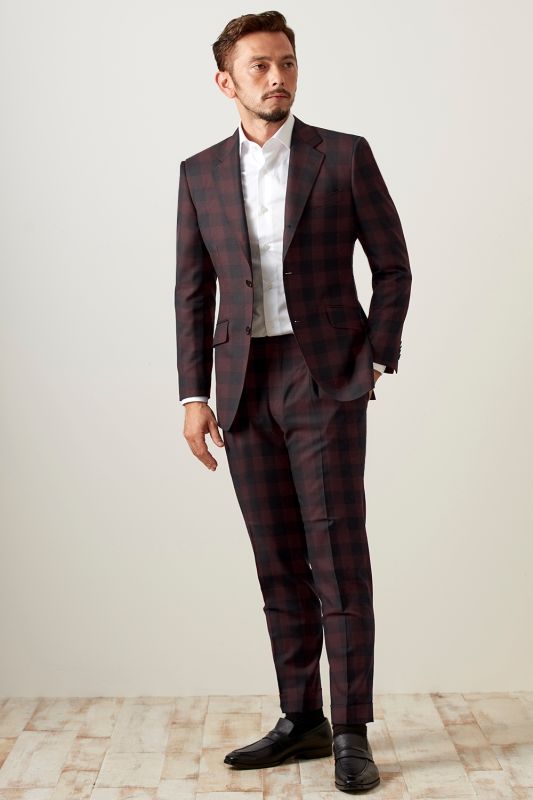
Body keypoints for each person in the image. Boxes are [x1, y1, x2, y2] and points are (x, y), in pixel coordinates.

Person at [174, 10, 411, 794]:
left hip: (324, 379)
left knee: (337, 557)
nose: (277, 78)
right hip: (242, 386)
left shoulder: (341, 156)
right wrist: (193, 395)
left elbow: (392, 266)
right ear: (226, 82)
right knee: (276, 561)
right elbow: (192, 293)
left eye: (286, 63)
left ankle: (349, 729)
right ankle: (300, 717)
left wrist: (373, 355)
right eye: (259, 67)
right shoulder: (200, 174)